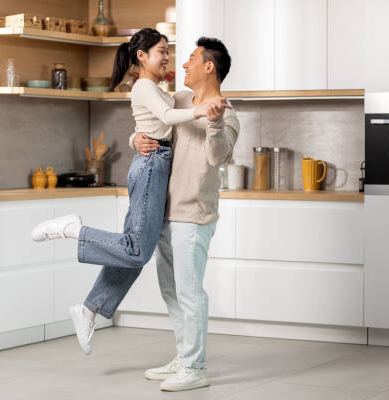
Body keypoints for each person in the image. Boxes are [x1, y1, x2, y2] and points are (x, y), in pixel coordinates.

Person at [29, 28, 230, 357]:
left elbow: (154, 123)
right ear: (141, 56)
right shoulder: (147, 86)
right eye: (161, 51)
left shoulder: (171, 92)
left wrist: (136, 137)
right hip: (152, 168)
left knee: (134, 253)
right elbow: (165, 118)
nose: (170, 58)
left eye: (172, 52)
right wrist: (197, 114)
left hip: (156, 166)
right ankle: (70, 229)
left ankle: (90, 310)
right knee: (135, 250)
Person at [132, 37, 239, 392]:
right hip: (165, 209)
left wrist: (216, 121)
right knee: (171, 289)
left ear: (209, 66)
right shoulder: (178, 100)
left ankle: (195, 366)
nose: (183, 64)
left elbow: (217, 156)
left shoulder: (228, 112)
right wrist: (136, 137)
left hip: (194, 212)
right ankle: (183, 356)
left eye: (191, 58)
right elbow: (155, 122)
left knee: (190, 290)